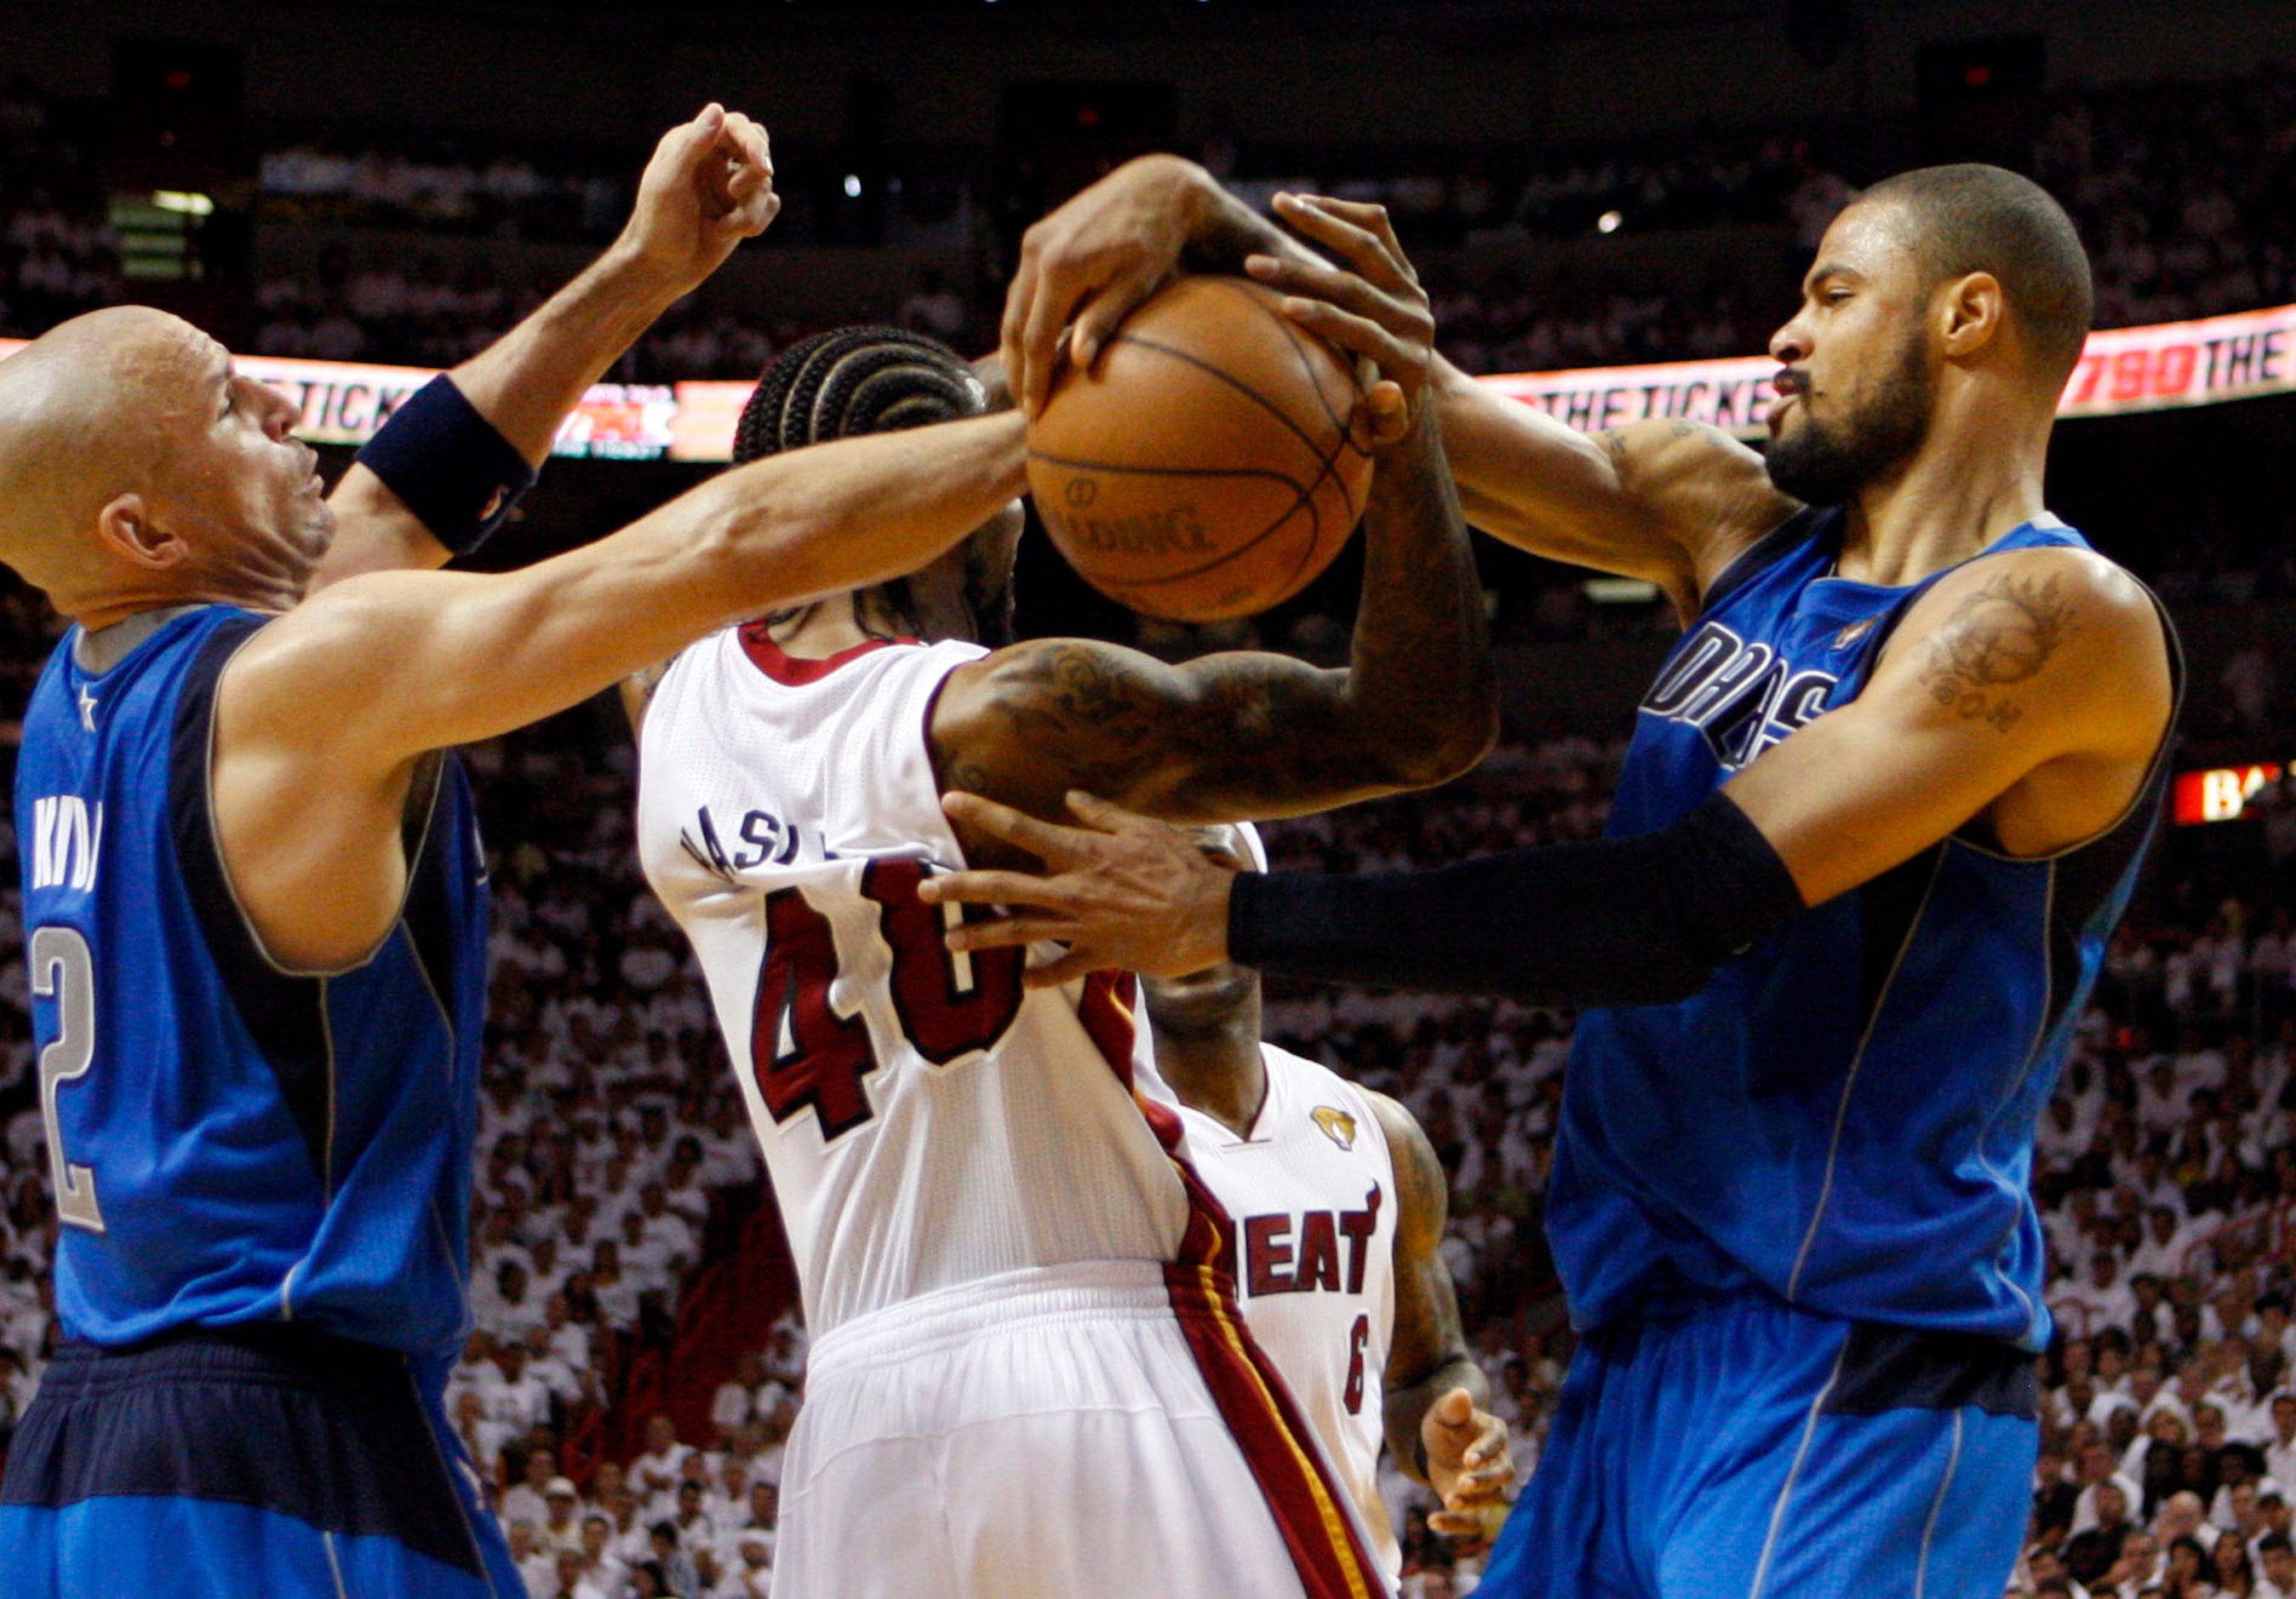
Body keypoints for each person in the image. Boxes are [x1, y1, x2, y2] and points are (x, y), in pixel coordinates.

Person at [933, 156, 2180, 1596]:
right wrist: (1198, 206)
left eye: (1831, 295)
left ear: (1966, 319)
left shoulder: (2053, 618)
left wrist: (1229, 909)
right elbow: (1411, 399)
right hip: (1639, 1352)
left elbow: (1668, 913)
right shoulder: (1725, 521)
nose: (1784, 333)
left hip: (1852, 1365)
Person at [0, 106, 1037, 1599]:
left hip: (85, 1461)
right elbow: (705, 559)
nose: (286, 412)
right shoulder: (291, 685)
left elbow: (406, 496)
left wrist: (644, 268)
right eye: (229, 407)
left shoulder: (86, 687)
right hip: (271, 1456)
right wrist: (1057, 430)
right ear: (145, 528)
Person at [629, 195, 1494, 1598]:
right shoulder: (1027, 716)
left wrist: (935, 423)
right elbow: (1422, 724)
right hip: (1096, 1358)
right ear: (971, 501)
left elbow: (796, 508)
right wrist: (1395, 433)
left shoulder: (666, 701)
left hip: (856, 1412)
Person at [1144, 823, 1514, 1585]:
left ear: (1261, 900)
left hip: (1338, 1572)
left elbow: (1429, 1370)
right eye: (1152, 886)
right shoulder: (1078, 1135)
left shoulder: (1378, 1132)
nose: (1180, 907)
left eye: (1210, 874)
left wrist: (1452, 1443)